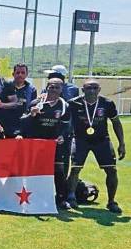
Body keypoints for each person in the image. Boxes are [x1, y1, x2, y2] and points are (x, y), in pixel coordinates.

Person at [67, 80, 126, 213]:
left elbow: (116, 122)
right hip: (80, 140)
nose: (92, 91)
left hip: (102, 140)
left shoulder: (107, 103)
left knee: (111, 170)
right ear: (83, 90)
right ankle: (71, 198)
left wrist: (121, 143)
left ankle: (111, 202)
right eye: (88, 88)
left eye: (95, 88)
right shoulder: (73, 103)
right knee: (75, 169)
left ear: (99, 89)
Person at [19, 79, 70, 208]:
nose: (53, 90)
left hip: (53, 144)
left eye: (57, 88)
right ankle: (33, 196)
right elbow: (23, 121)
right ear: (46, 88)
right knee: (35, 170)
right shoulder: (36, 103)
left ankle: (61, 198)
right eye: (51, 87)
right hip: (36, 142)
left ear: (61, 89)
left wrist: (62, 136)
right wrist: (32, 114)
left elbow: (66, 126)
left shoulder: (64, 106)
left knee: (58, 170)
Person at [1, 63, 37, 137]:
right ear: (13, 74)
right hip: (6, 126)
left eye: (23, 73)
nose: (20, 75)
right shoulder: (6, 87)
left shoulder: (31, 89)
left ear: (26, 74)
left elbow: (31, 108)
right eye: (17, 72)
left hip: (24, 126)